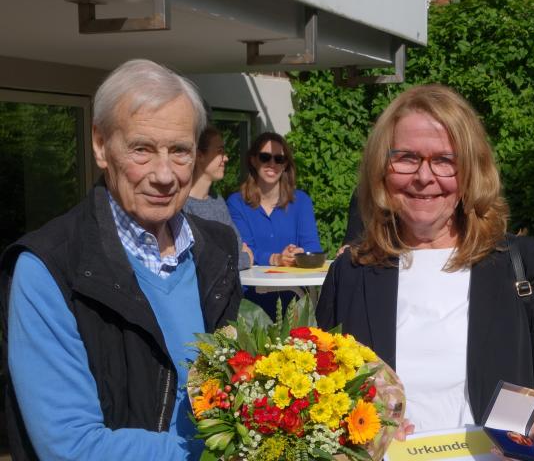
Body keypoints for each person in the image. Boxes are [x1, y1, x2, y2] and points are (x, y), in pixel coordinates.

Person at [316, 84, 534, 461]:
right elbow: (322, 393)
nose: (425, 177)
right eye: (406, 158)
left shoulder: (520, 263)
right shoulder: (353, 272)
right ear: (382, 167)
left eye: (445, 160)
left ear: (471, 169)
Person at [0, 59, 243, 460]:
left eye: (180, 151)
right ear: (100, 145)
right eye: (142, 150)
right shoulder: (49, 268)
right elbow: (72, 448)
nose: (164, 175)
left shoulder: (216, 249)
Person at [226, 131, 321, 268]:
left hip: (292, 287)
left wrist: (298, 254)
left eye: (279, 159)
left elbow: (313, 248)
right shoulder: (236, 203)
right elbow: (243, 250)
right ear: (253, 160)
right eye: (265, 157)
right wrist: (275, 259)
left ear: (285, 165)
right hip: (252, 287)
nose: (272, 164)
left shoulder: (301, 201)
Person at [184, 125, 253, 270]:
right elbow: (204, 263)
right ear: (200, 156)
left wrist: (237, 255)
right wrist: (246, 259)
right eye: (220, 152)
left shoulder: (217, 201)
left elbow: (237, 245)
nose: (226, 158)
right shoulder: (182, 205)